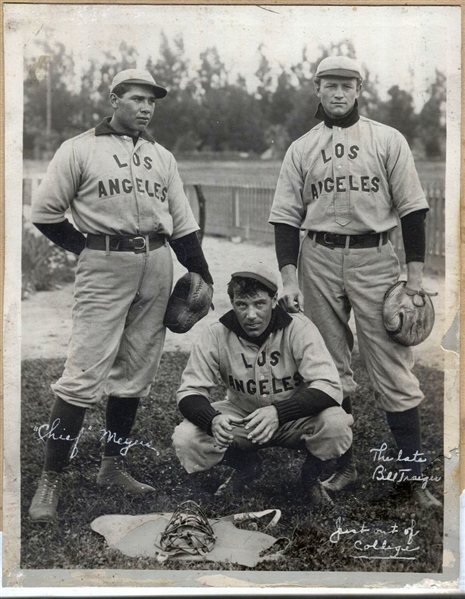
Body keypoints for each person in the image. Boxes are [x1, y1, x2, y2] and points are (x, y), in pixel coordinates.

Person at [28, 69, 213, 522]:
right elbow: (45, 213)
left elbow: (184, 224)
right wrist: (86, 250)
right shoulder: (79, 149)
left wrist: (201, 270)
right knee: (83, 371)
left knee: (136, 369)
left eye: (152, 101)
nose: (146, 107)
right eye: (137, 99)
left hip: (156, 262)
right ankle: (51, 477)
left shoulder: (161, 156)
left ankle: (112, 465)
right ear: (114, 99)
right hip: (104, 263)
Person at [269, 55, 441, 508]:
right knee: (328, 366)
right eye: (330, 85)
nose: (339, 93)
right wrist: (289, 278)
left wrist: (415, 277)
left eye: (347, 85)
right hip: (319, 258)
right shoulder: (301, 148)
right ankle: (345, 467)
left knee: (392, 365)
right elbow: (286, 219)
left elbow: (413, 208)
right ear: (317, 89)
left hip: (375, 258)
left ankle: (411, 477)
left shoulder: (387, 139)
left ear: (359, 88)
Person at [172, 265, 354, 506]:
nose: (251, 315)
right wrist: (213, 419)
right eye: (242, 305)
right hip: (243, 417)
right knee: (187, 437)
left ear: (274, 300)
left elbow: (330, 387)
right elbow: (189, 392)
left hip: (295, 418)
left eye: (259, 304)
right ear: (232, 303)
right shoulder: (216, 334)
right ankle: (246, 466)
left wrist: (280, 412)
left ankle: (310, 478)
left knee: (336, 424)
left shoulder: (299, 328)